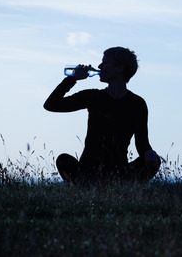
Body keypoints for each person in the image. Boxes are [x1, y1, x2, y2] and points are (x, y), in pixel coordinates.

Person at [44, 46, 161, 183]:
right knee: (63, 160)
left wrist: (150, 157)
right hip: (87, 172)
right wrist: (71, 79)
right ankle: (89, 187)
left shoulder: (137, 104)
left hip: (119, 174)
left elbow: (142, 144)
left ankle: (118, 187)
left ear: (119, 68)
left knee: (154, 159)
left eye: (105, 62)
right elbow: (51, 105)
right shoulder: (93, 97)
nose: (100, 66)